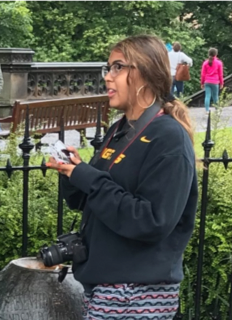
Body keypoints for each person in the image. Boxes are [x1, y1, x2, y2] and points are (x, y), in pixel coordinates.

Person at [46, 34, 198, 319]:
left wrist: (89, 178)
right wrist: (73, 173)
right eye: (108, 68)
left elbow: (152, 221)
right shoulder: (120, 130)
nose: (107, 77)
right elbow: (90, 201)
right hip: (106, 288)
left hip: (139, 294)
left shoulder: (168, 138)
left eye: (117, 67)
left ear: (143, 73)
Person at [201, 47, 224, 113]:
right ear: (216, 54)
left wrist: (202, 83)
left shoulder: (205, 63)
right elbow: (220, 74)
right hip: (215, 82)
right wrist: (221, 83)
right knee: (215, 96)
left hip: (207, 81)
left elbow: (203, 74)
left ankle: (207, 110)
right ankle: (217, 110)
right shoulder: (219, 63)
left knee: (207, 96)